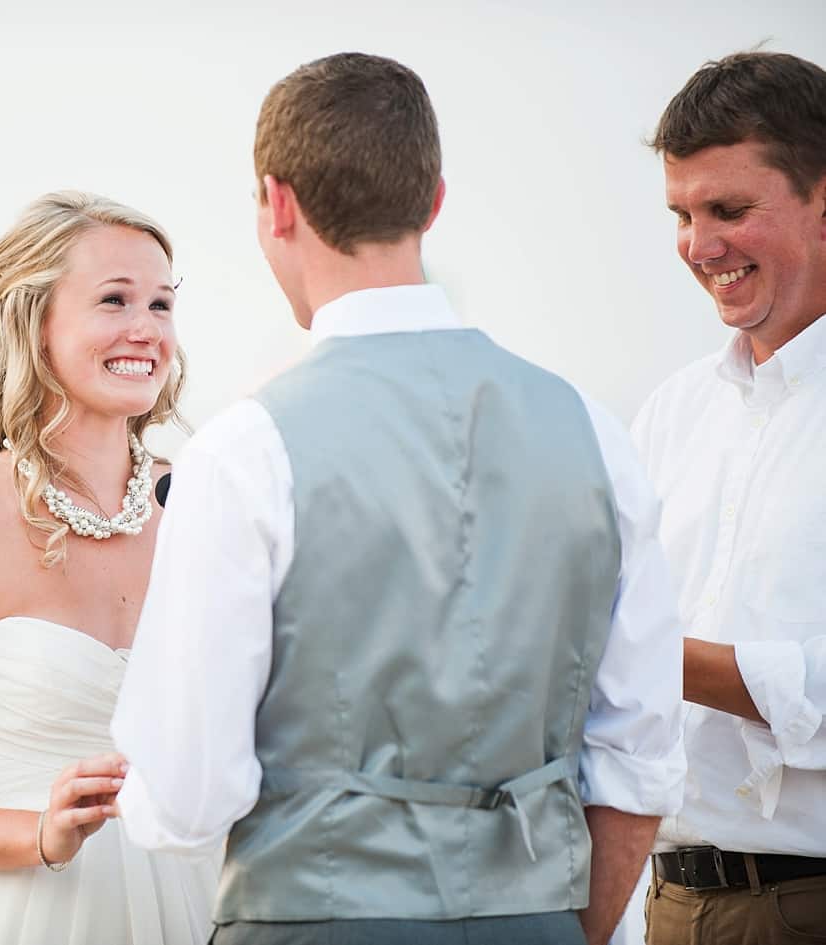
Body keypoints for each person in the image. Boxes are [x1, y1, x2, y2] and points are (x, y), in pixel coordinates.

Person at [110, 52, 687, 945]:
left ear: (278, 203)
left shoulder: (245, 450)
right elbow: (640, 759)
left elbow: (189, 797)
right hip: (532, 925)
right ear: (433, 201)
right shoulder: (597, 436)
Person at [0, 191, 218, 945]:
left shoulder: (204, 506)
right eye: (114, 300)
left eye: (160, 304)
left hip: (205, 909)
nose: (145, 329)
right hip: (32, 916)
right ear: (35, 322)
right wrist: (40, 833)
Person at [628, 50, 826, 944]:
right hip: (670, 902)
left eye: (729, 210)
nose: (698, 247)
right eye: (682, 213)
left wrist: (640, 650)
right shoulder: (670, 414)